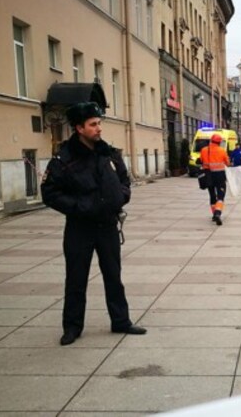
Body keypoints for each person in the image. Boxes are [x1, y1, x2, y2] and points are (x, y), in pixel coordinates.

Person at [41, 102, 146, 346]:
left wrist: (120, 197)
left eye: (99, 123)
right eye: (93, 125)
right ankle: (72, 327)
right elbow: (50, 193)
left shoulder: (108, 152)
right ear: (79, 128)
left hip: (107, 225)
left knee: (113, 275)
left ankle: (121, 321)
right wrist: (80, 207)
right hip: (79, 227)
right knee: (76, 278)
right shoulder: (64, 158)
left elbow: (124, 181)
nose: (98, 129)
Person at [199, 133, 230, 225]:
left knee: (212, 195)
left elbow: (201, 160)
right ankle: (217, 213)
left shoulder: (204, 150)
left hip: (208, 175)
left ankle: (214, 214)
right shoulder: (222, 151)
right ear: (219, 142)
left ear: (211, 141)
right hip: (219, 175)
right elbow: (227, 163)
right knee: (220, 195)